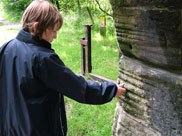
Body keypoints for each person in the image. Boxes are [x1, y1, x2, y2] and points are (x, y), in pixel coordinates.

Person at [0, 0, 126, 136]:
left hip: (10, 127)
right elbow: (78, 88)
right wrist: (111, 90)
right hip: (36, 130)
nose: (55, 36)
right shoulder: (42, 58)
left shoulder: (7, 47)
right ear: (37, 27)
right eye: (53, 31)